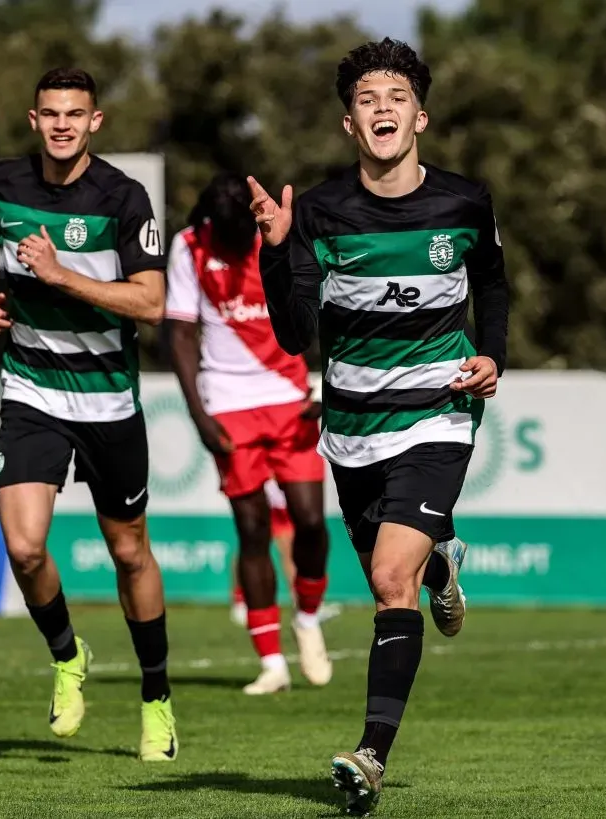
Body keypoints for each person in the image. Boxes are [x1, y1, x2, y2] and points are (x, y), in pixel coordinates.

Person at [248, 38, 509, 814]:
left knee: (388, 581)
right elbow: (296, 335)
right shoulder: (320, 214)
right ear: (347, 124)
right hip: (353, 425)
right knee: (393, 572)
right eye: (367, 100)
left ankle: (370, 755)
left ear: (419, 115)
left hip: (439, 408)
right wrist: (272, 250)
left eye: (395, 96)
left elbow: (492, 285)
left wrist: (492, 354)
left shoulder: (465, 202)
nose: (383, 108)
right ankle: (441, 567)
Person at [0, 67, 177, 761]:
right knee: (24, 547)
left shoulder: (122, 196)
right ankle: (66, 655)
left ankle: (156, 697)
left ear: (96, 122)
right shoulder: (3, 183)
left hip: (109, 401)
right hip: (31, 389)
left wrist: (61, 277)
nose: (62, 124)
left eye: (74, 114)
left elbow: (149, 301)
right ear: (34, 120)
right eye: (51, 114)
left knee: (128, 550)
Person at [166, 172, 333, 696]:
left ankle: (307, 619)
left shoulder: (280, 234)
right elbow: (180, 330)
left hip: (290, 400)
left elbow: (326, 308)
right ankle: (271, 663)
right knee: (253, 531)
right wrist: (198, 414)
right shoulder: (189, 246)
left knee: (309, 521)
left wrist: (325, 386)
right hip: (229, 407)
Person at [230, 477, 343, 627]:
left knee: (288, 544)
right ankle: (240, 600)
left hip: (283, 480)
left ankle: (303, 604)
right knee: (253, 543)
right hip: (263, 480)